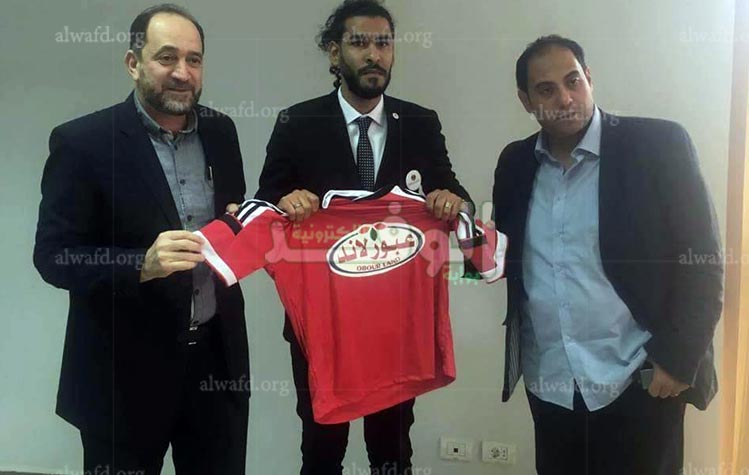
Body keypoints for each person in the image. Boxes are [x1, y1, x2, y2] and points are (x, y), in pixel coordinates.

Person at [254, 1, 473, 473]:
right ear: (335, 53)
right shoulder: (298, 122)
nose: (374, 54)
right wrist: (285, 202)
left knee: (392, 450)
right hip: (323, 323)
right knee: (321, 447)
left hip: (395, 323)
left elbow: (457, 196)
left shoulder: (420, 122)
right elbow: (263, 209)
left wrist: (451, 201)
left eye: (384, 43)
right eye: (359, 43)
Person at [492, 35, 724, 474]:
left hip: (640, 381)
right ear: (526, 101)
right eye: (546, 90)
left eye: (572, 81)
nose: (565, 99)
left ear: (589, 78)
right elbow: (505, 255)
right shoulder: (515, 164)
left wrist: (677, 360)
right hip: (552, 384)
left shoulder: (657, 146)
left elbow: (704, 261)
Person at [33, 4, 249, 474]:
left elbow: (231, 220)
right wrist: (141, 265)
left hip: (216, 365)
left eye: (194, 59)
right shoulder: (83, 142)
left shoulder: (221, 131)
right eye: (166, 57)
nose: (182, 72)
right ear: (133, 63)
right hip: (122, 374)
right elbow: (53, 257)